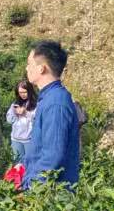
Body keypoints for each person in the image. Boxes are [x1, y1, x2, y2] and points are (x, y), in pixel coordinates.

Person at [20, 40, 81, 187]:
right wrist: (24, 166)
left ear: (41, 68)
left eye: (29, 63)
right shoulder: (49, 98)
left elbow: (53, 157)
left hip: (51, 192)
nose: (27, 68)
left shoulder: (56, 103)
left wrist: (31, 186)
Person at [7, 80, 38, 162]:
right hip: (16, 139)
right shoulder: (15, 104)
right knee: (18, 164)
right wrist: (14, 113)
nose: (22, 95)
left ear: (30, 91)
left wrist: (25, 113)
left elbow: (37, 120)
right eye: (20, 92)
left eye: (25, 92)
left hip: (30, 140)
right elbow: (9, 120)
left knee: (30, 163)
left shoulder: (36, 104)